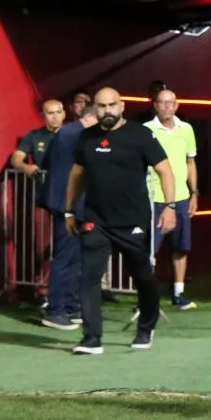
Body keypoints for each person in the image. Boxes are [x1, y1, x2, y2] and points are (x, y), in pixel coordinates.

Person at [65, 87, 178, 354]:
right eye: (101, 106)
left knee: (142, 276)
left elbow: (165, 170)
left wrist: (170, 206)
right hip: (95, 220)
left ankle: (146, 327)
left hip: (133, 220)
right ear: (94, 108)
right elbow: (76, 175)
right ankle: (91, 339)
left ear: (122, 106)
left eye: (112, 105)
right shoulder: (87, 137)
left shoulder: (140, 135)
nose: (107, 111)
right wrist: (69, 211)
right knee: (89, 277)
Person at [39, 102, 98, 330]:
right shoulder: (77, 134)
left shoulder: (66, 133)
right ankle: (54, 310)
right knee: (66, 258)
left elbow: (46, 162)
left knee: (75, 258)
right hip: (70, 205)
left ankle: (71, 307)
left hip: (72, 204)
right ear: (91, 117)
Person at [144, 88, 199, 310]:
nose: (167, 106)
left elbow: (190, 162)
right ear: (155, 105)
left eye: (171, 102)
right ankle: (146, 298)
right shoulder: (146, 130)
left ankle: (178, 293)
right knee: (150, 251)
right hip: (154, 198)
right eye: (162, 102)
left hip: (182, 198)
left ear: (176, 105)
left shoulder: (186, 129)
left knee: (181, 247)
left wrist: (194, 192)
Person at [12, 99, 66, 179]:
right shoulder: (34, 135)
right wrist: (25, 168)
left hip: (68, 185)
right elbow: (16, 158)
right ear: (43, 115)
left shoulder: (74, 134)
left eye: (58, 112)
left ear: (64, 114)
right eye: (50, 113)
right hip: (43, 184)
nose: (55, 117)